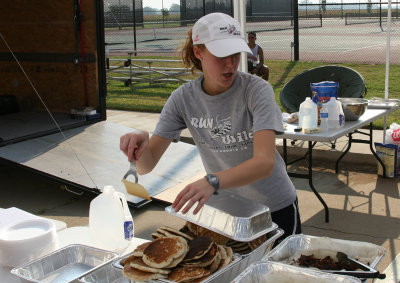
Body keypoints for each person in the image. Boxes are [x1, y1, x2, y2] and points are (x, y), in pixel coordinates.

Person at [120, 12, 301, 243]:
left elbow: (264, 163)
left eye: (235, 54)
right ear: (199, 52)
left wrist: (212, 181)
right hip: (226, 213)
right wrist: (141, 142)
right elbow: (146, 165)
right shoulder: (183, 99)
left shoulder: (256, 90)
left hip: (275, 210)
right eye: (221, 55)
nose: (230, 64)